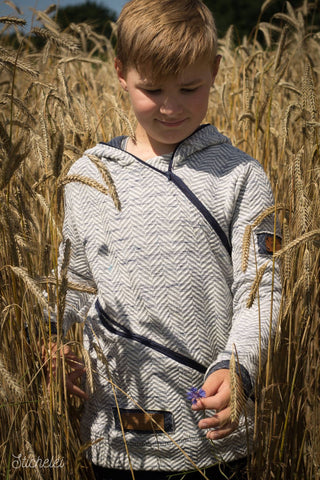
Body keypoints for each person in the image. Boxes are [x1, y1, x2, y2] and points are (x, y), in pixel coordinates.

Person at [51, 0, 282, 478]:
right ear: (120, 72)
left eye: (190, 88)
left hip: (213, 440)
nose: (171, 106)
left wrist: (238, 367)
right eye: (151, 89)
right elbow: (68, 287)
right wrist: (49, 347)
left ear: (215, 71)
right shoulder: (88, 176)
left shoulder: (240, 175)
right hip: (111, 441)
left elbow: (264, 289)